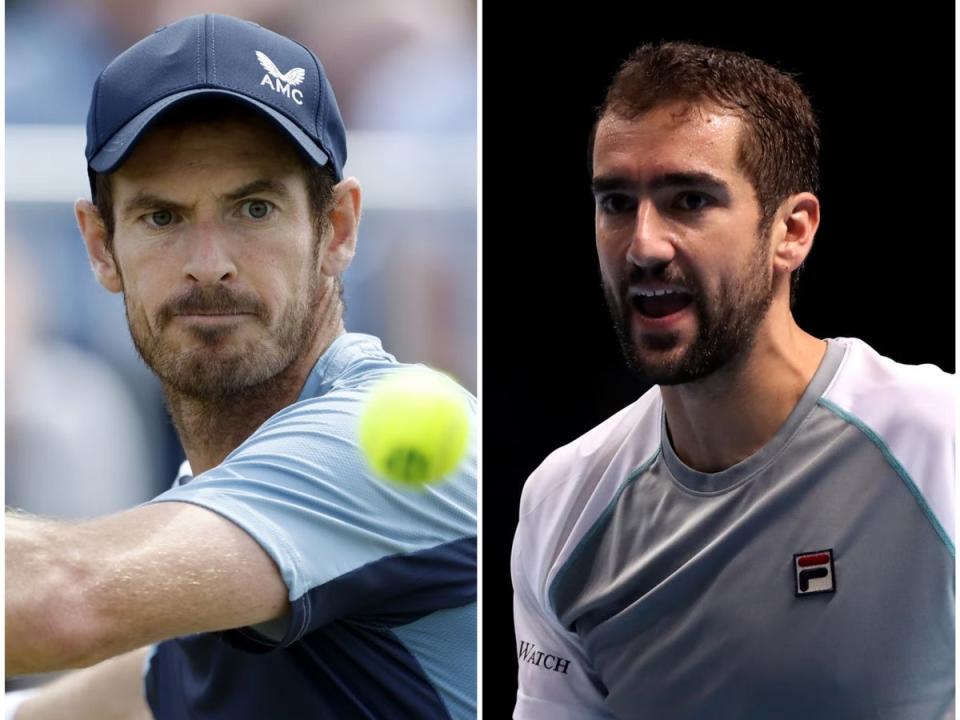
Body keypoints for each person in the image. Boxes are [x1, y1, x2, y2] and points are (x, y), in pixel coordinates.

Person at [6, 14, 477, 720]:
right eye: (161, 218)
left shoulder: (375, 446)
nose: (209, 265)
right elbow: (153, 681)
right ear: (101, 247)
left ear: (337, 230)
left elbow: (59, 600)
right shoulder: (217, 510)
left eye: (253, 209)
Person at [511, 41, 954, 720]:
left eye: (688, 200)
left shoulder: (940, 441)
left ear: (792, 231)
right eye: (616, 203)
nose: (644, 245)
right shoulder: (561, 504)